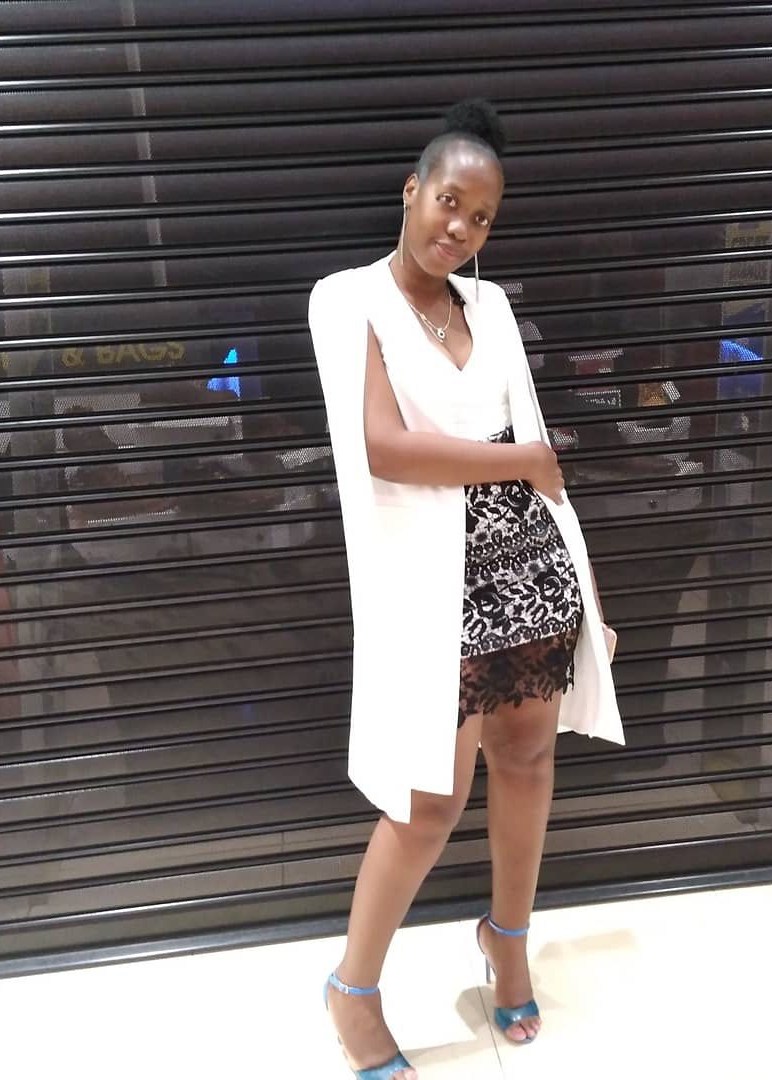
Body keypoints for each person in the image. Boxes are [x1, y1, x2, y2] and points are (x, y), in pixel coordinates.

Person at [307, 99, 624, 1080]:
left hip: (530, 561)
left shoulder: (490, 308)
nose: (461, 228)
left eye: (482, 217)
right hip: (433, 586)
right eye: (449, 202)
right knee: (428, 804)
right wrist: (517, 461)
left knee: (527, 760)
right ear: (412, 191)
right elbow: (384, 449)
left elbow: (542, 461)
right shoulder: (346, 300)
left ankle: (508, 941)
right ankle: (352, 988)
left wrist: (590, 598)